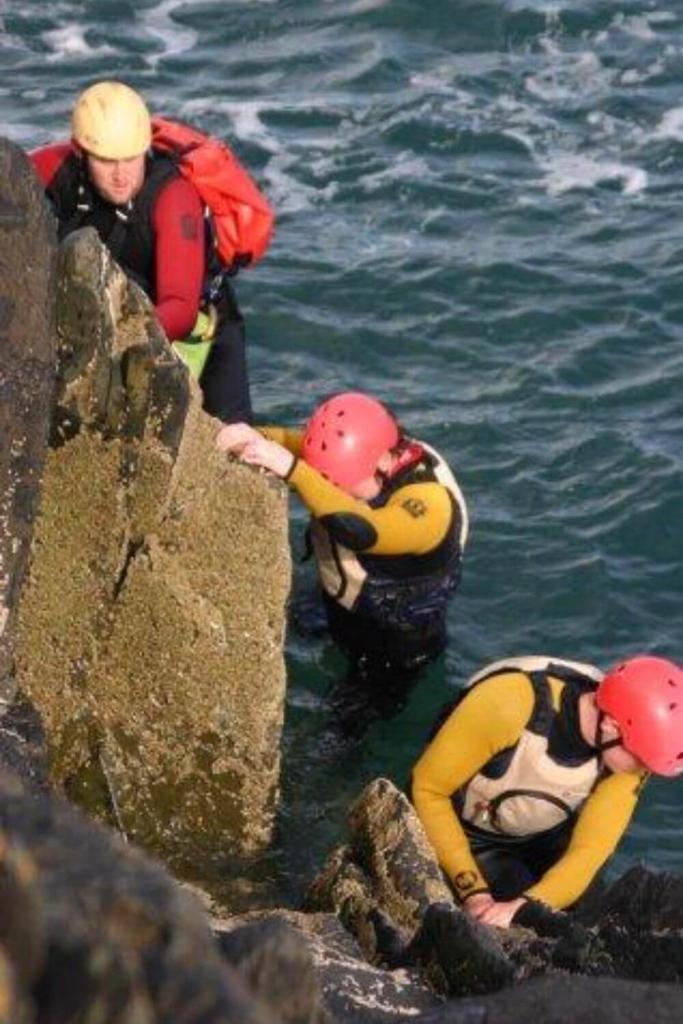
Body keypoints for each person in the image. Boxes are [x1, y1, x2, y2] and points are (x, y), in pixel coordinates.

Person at [29, 80, 273, 424]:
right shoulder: (57, 168)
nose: (121, 175)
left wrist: (109, 341)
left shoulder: (173, 200)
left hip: (198, 332)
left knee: (235, 447)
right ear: (80, 152)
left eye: (131, 158)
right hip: (109, 313)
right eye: (106, 161)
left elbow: (180, 308)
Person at [411, 653, 683, 928]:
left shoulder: (629, 741)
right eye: (642, 761)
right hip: (473, 836)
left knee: (582, 920)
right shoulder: (508, 704)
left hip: (548, 833)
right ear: (610, 726)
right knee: (510, 913)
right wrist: (473, 892)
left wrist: (526, 906)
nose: (643, 771)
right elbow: (428, 790)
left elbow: (591, 849)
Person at [215, 391, 469, 680]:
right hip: (341, 601)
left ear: (385, 462)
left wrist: (293, 470)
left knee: (346, 715)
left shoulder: (431, 505)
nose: (337, 493)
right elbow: (299, 448)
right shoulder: (369, 458)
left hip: (396, 640)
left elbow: (365, 531)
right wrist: (252, 438)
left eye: (342, 485)